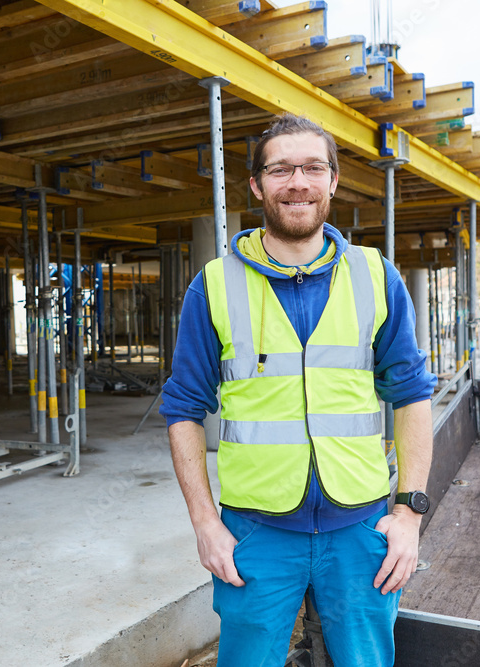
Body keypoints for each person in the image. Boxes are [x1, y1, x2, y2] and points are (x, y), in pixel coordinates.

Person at [160, 113, 437, 666]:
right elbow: (183, 409)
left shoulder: (375, 276)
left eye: (313, 167)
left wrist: (408, 513)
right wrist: (205, 525)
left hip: (359, 532)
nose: (298, 182)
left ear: (333, 181)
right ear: (258, 186)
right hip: (256, 534)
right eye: (280, 169)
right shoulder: (214, 285)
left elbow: (410, 394)